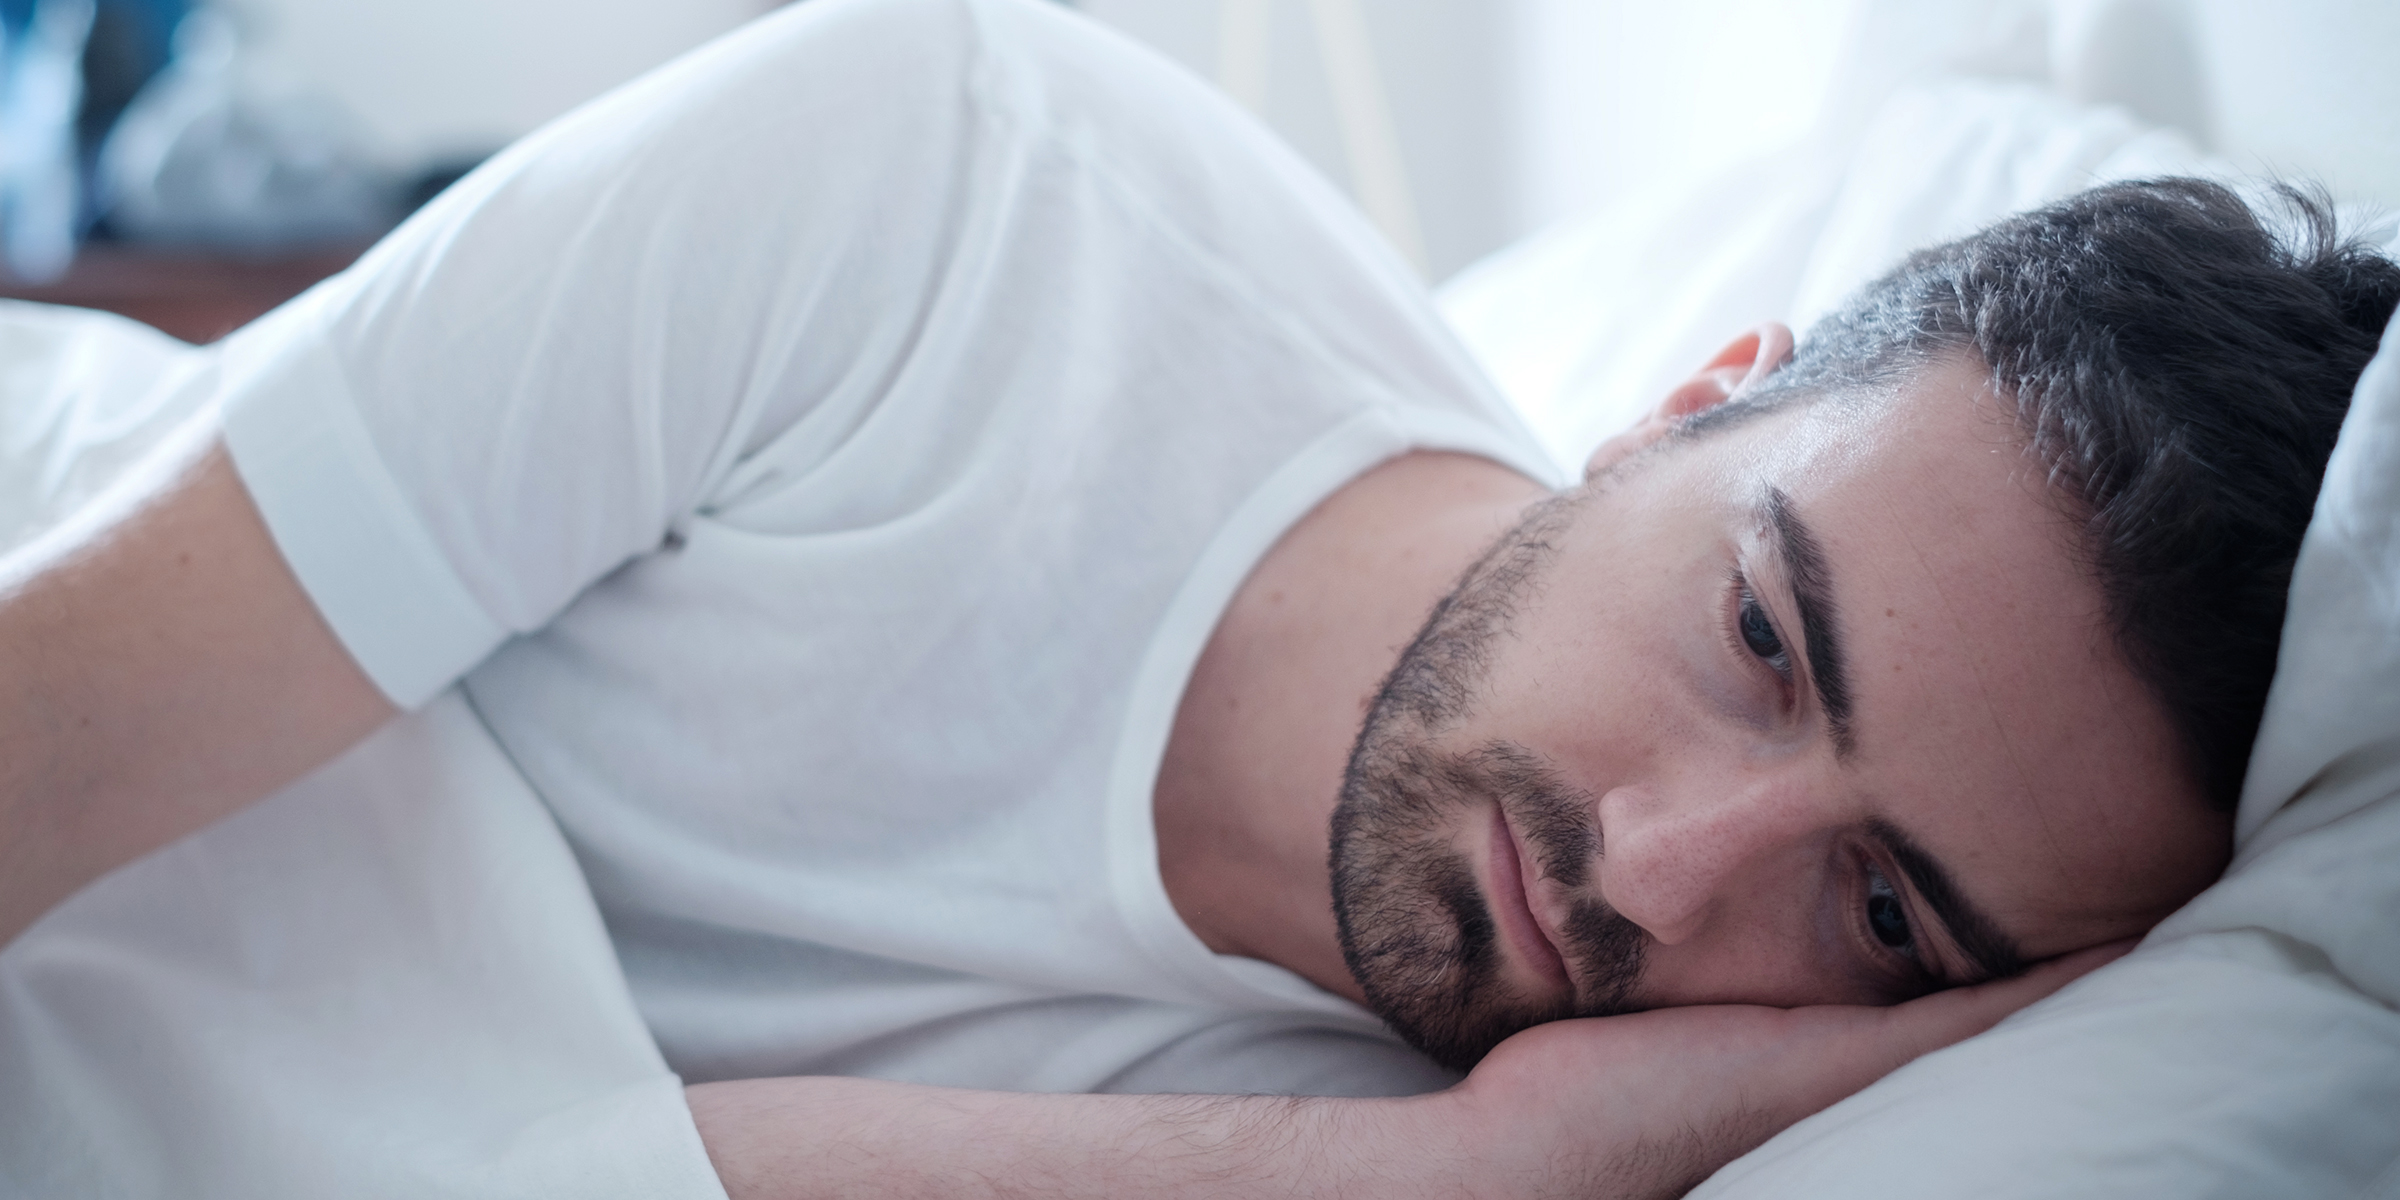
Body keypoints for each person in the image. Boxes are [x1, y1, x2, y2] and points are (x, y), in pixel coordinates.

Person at [0, 0, 2392, 1194]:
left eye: (1881, 915)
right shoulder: (949, 208)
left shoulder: (1542, 1110)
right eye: (1762, 638)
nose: (1657, 875)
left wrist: (1435, 1178)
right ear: (1694, 394)